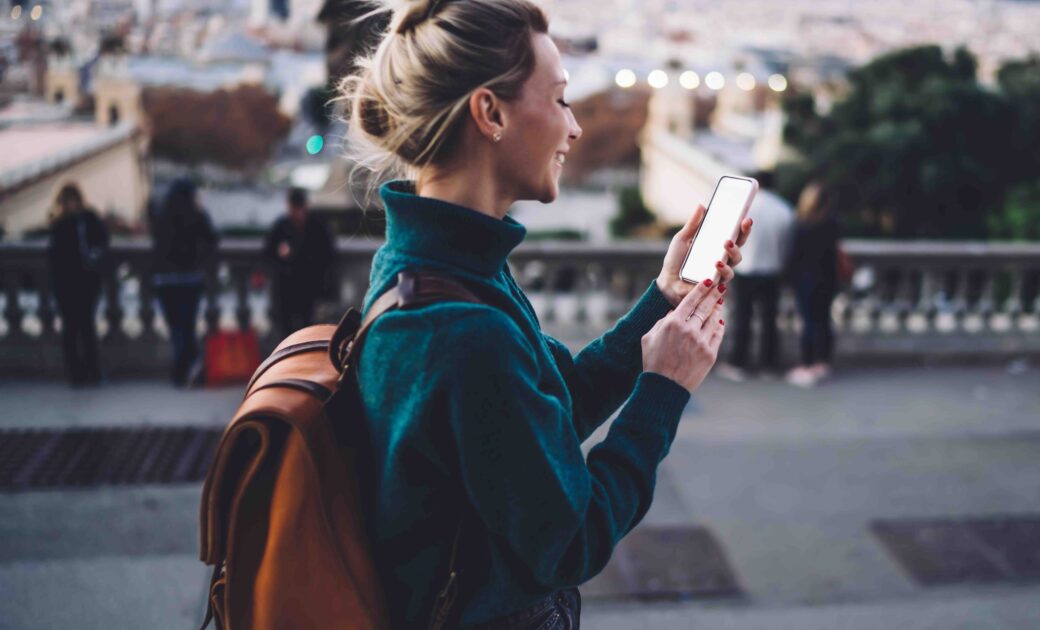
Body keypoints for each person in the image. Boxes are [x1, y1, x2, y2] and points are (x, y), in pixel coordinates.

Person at [338, 1, 754, 627]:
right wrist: (662, 391)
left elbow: (550, 406)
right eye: (560, 100)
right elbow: (570, 540)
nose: (576, 127)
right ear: (491, 112)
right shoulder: (462, 328)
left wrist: (664, 299)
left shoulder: (430, 266)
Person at [715, 171, 794, 382]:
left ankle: (738, 362)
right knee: (769, 320)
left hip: (745, 269)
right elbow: (787, 244)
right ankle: (768, 364)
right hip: (772, 270)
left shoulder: (744, 208)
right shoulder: (784, 209)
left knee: (742, 318)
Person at [151, 178, 218, 387]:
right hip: (189, 278)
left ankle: (181, 371)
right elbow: (212, 239)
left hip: (165, 280)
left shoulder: (162, 215)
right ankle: (185, 370)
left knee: (175, 328)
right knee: (187, 327)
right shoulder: (196, 215)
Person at [47, 182, 109, 386]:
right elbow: (56, 259)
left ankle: (90, 372)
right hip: (69, 285)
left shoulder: (85, 220)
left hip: (84, 284)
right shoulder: (62, 225)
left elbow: (102, 241)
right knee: (73, 330)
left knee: (85, 329)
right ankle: (77, 373)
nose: (70, 205)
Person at [782, 182, 840, 388]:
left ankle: (807, 364)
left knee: (807, 322)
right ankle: (822, 362)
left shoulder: (802, 224)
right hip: (827, 279)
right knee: (823, 320)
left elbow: (794, 256)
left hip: (806, 279)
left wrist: (788, 279)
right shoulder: (831, 223)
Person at [263, 187, 336, 337]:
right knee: (286, 331)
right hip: (286, 289)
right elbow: (268, 253)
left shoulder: (316, 226)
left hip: (308, 287)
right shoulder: (281, 226)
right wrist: (280, 253)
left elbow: (327, 254)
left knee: (308, 330)